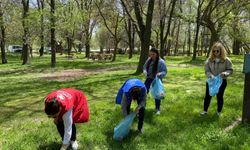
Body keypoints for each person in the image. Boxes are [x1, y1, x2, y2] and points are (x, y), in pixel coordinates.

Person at [200, 42, 233, 117]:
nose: (215, 52)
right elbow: (206, 70)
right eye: (214, 51)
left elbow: (230, 70)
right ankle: (205, 111)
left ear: (221, 51)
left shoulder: (226, 60)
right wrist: (210, 75)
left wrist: (225, 73)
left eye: (217, 51)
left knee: (219, 96)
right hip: (211, 81)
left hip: (222, 81)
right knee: (208, 96)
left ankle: (218, 112)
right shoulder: (209, 60)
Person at [143, 47, 167, 115]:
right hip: (148, 79)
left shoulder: (161, 62)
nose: (151, 56)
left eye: (153, 54)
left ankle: (157, 109)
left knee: (157, 94)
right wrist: (144, 71)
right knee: (144, 92)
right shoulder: (149, 60)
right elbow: (144, 67)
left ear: (157, 54)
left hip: (157, 80)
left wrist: (160, 73)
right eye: (150, 54)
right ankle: (142, 107)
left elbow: (165, 71)